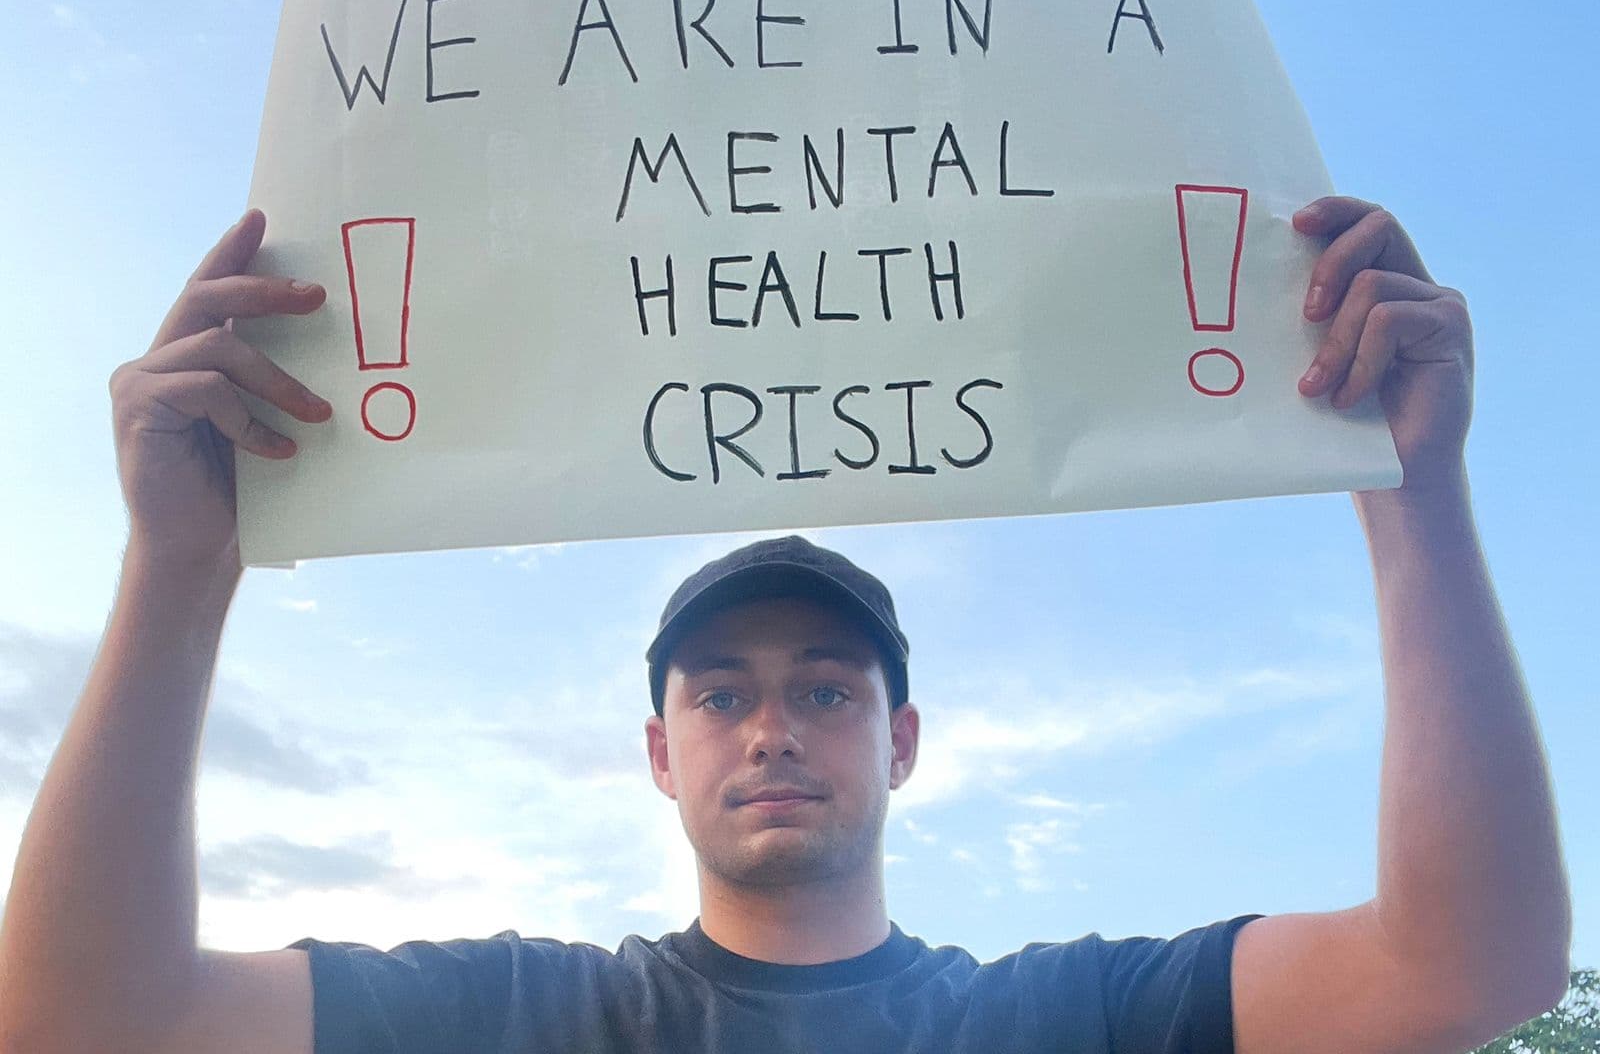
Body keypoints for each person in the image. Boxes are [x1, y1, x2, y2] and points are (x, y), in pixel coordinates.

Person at [0, 198, 1571, 1054]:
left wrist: (1408, 483)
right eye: (721, 693)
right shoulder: (524, 1016)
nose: (771, 725)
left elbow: (1469, 969)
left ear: (900, 740)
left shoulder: (1061, 1018)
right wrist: (181, 568)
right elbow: (78, 1023)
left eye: (825, 690)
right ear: (656, 752)